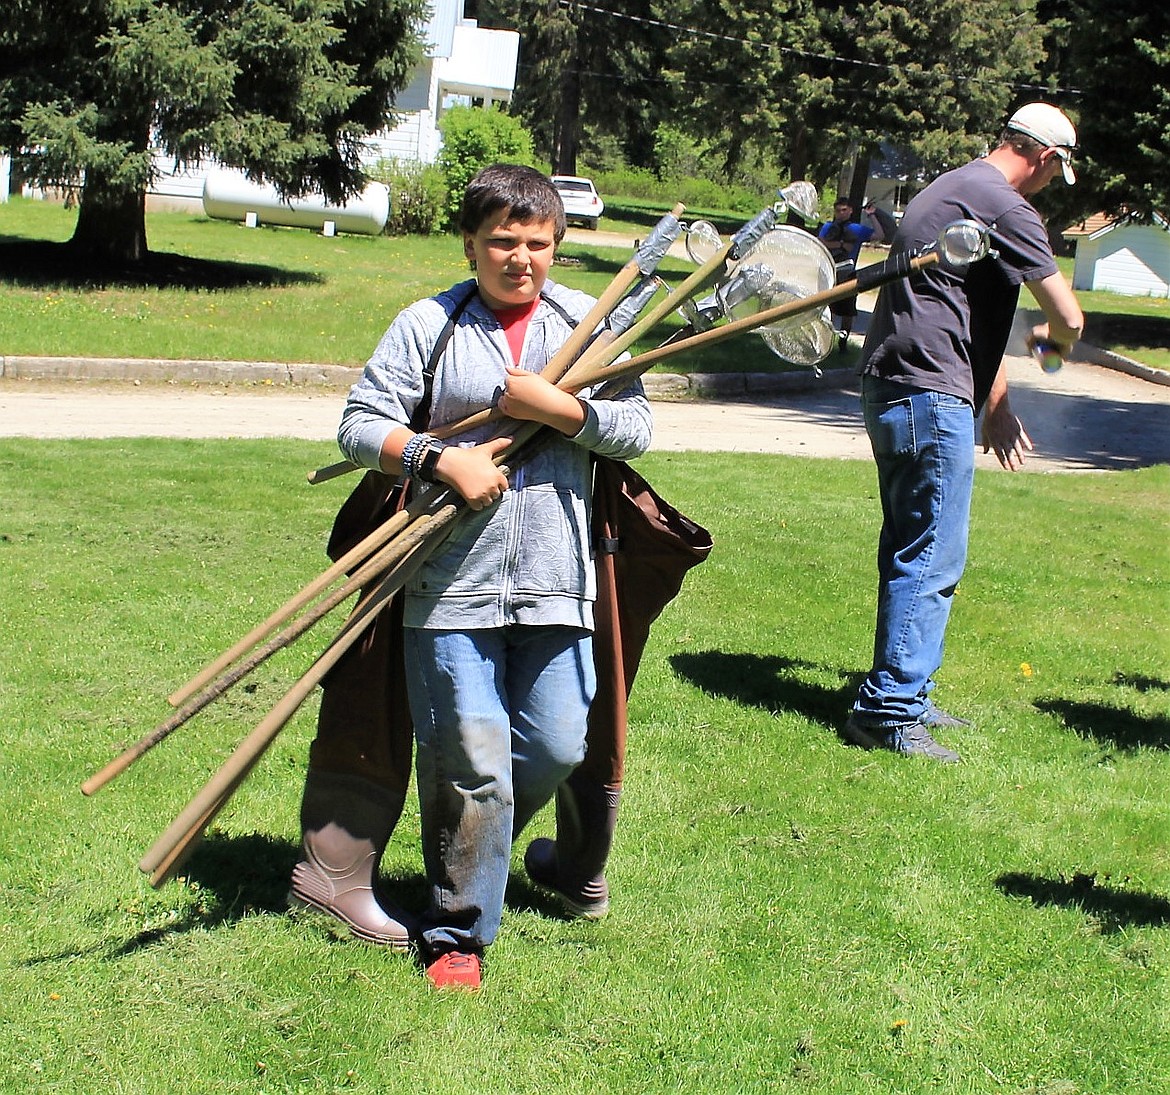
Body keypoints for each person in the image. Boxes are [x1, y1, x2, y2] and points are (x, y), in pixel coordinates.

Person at [314, 163, 652, 990]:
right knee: (471, 757)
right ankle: (457, 926)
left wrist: (561, 410)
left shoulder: (589, 322)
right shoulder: (428, 323)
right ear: (471, 243)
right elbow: (360, 424)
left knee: (553, 744)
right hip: (445, 580)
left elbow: (636, 427)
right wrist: (440, 457)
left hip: (558, 578)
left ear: (557, 247)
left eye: (538, 243)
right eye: (502, 240)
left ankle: (480, 852)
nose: (521, 258)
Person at [845, 102, 1084, 763]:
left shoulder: (953, 187)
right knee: (932, 557)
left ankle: (905, 694)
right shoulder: (1007, 206)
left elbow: (965, 312)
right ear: (1042, 157)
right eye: (1051, 172)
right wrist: (1054, 341)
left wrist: (996, 401)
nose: (1044, 186)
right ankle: (889, 711)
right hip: (929, 394)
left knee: (909, 546)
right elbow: (1069, 318)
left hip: (893, 385)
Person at [817, 196, 885, 343]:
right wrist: (841, 245)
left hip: (848, 274)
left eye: (844, 210)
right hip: (830, 272)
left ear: (850, 211)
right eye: (838, 210)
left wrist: (871, 215)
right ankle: (825, 340)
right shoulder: (827, 227)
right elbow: (821, 242)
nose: (841, 213)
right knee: (828, 309)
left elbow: (879, 235)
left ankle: (843, 342)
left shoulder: (857, 229)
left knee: (847, 311)